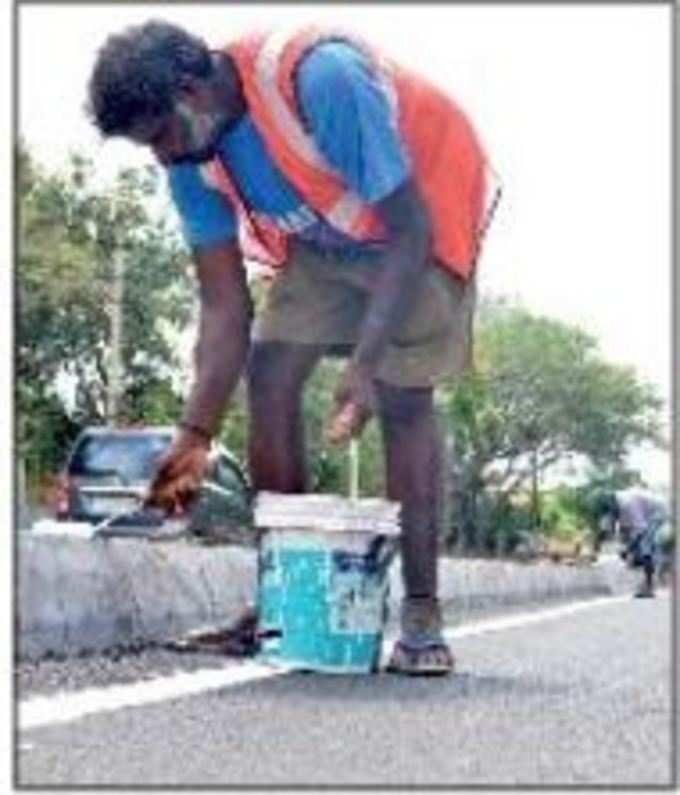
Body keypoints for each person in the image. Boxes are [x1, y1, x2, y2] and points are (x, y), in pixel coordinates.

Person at [87, 20, 498, 674]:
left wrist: (363, 365)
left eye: (160, 135)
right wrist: (193, 435)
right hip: (330, 240)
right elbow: (225, 306)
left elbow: (409, 229)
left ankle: (421, 614)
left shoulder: (319, 80)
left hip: (419, 221)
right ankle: (283, 596)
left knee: (400, 394)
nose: (160, 157)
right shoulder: (194, 161)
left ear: (194, 91)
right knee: (270, 369)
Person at [596, 489, 669, 598]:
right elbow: (613, 527)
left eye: (612, 512)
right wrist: (598, 545)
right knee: (635, 549)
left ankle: (649, 587)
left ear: (613, 505)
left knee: (645, 547)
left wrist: (629, 548)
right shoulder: (617, 504)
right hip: (647, 516)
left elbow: (641, 529)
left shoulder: (629, 503)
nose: (613, 515)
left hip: (659, 514)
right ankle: (647, 577)